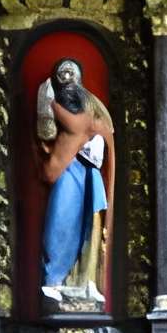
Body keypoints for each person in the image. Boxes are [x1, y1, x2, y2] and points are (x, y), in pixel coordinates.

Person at [36, 58, 113, 304]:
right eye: (63, 74)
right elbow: (46, 133)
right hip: (68, 168)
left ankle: (87, 281)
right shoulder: (56, 101)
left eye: (71, 73)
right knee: (62, 219)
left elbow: (102, 131)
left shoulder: (90, 103)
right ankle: (54, 280)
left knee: (91, 225)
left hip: (90, 170)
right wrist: (46, 107)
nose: (68, 79)